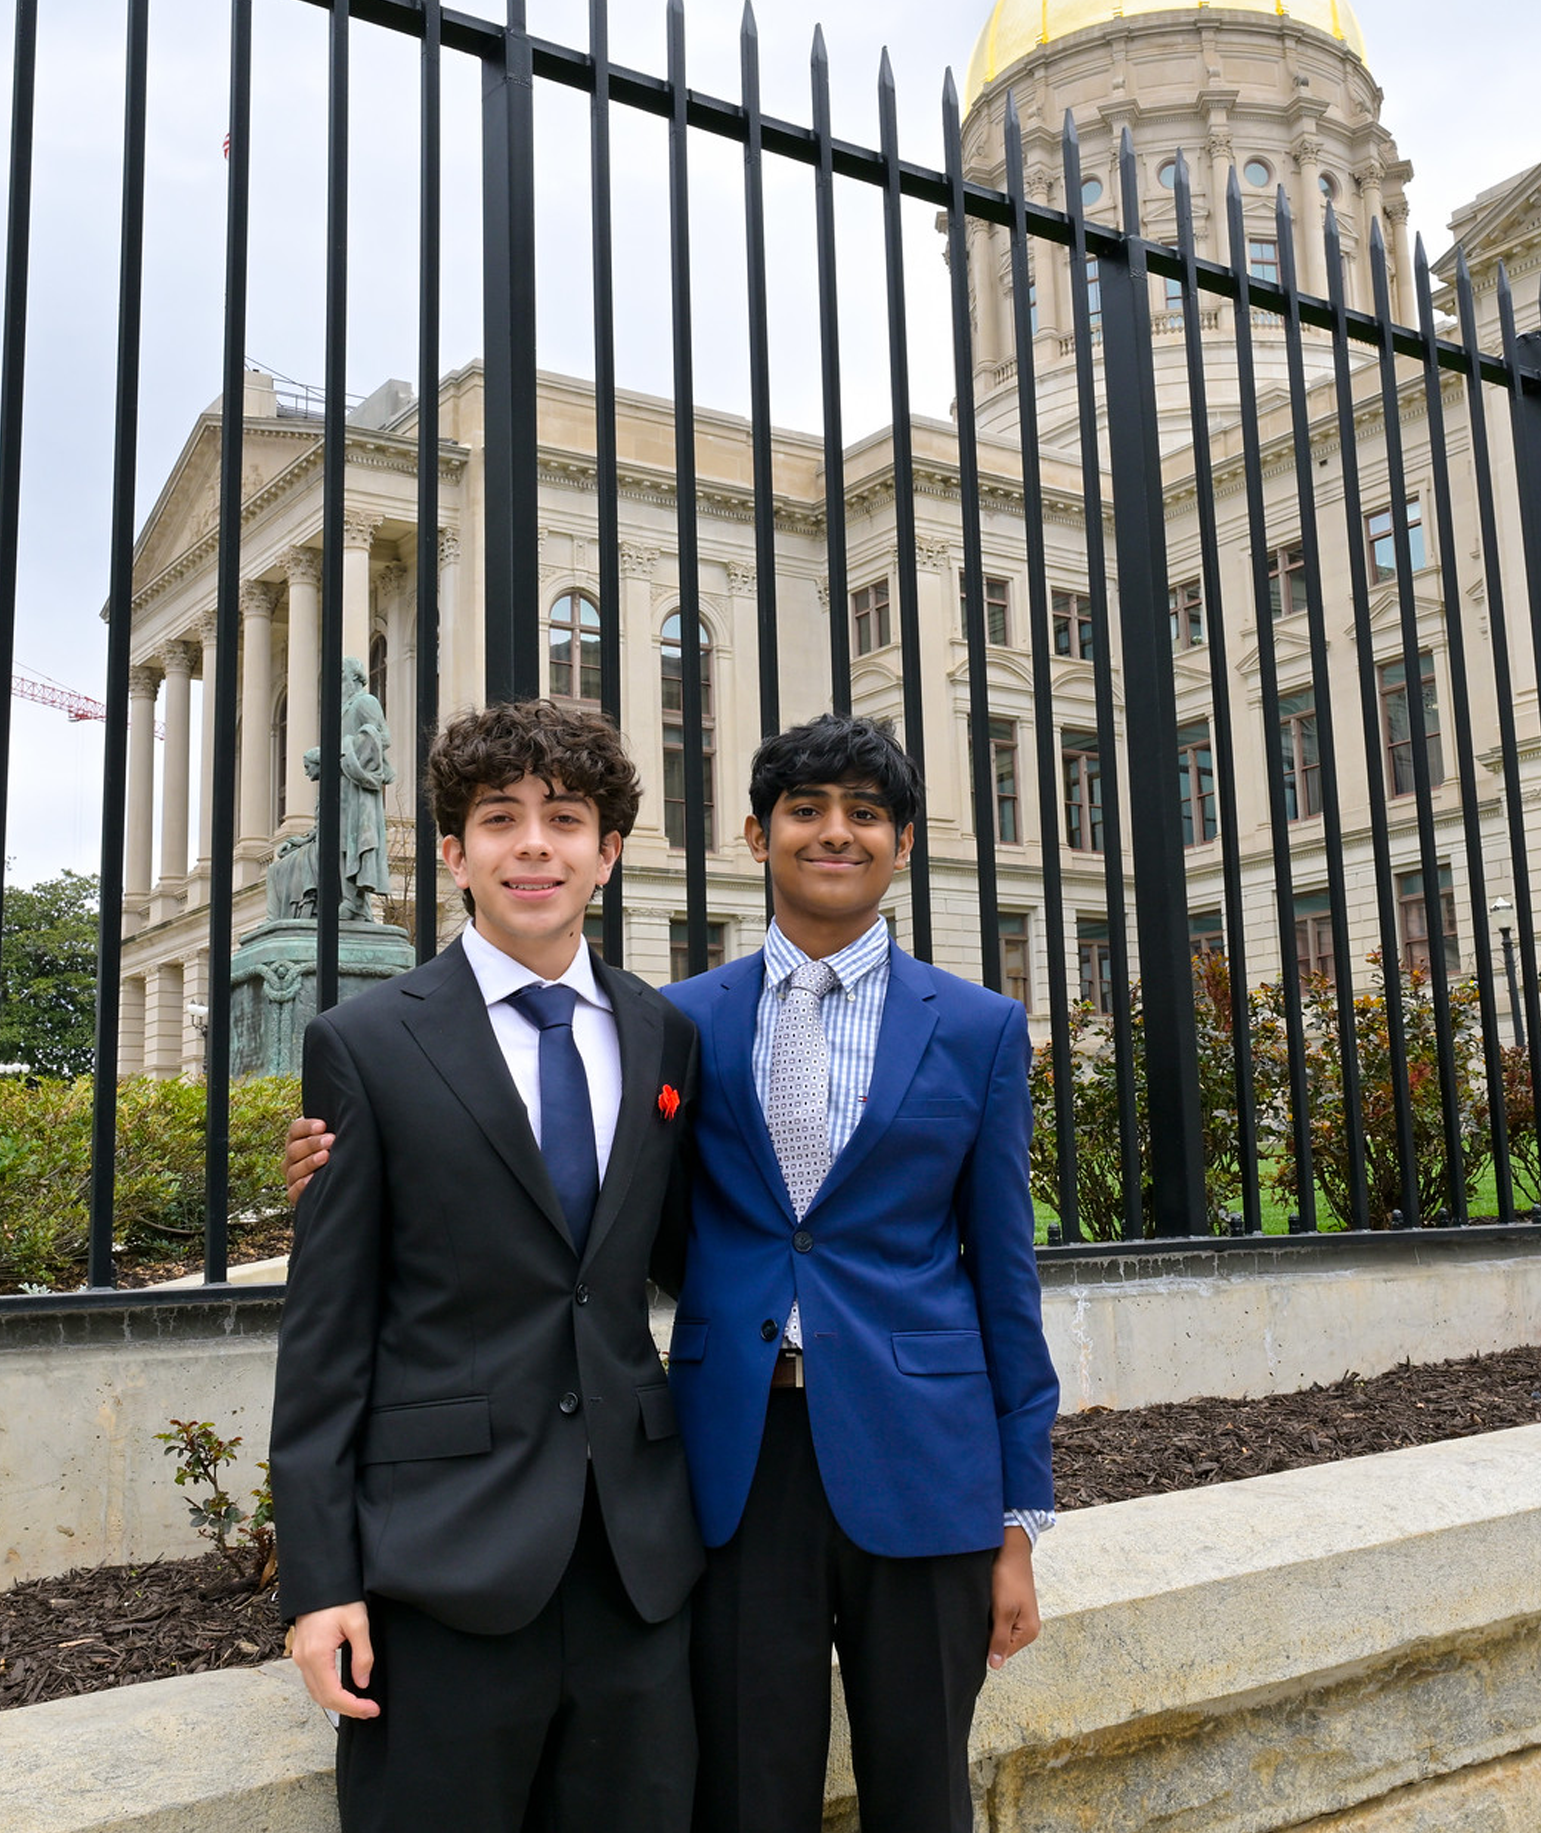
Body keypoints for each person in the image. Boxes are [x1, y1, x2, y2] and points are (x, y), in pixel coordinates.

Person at [285, 711, 1056, 1833]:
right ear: (755, 833)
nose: (834, 833)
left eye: (866, 814)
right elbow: (572, 1236)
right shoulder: (676, 1023)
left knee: (925, 1794)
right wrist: (340, 1171)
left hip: (899, 1468)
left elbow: (1003, 1274)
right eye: (805, 809)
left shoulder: (956, 1028)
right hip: (709, 1471)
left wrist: (1020, 1511)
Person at [269, 699, 703, 1833]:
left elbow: (685, 1250)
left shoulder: (665, 1035)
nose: (534, 844)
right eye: (499, 818)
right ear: (454, 852)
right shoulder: (364, 1043)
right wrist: (319, 1586)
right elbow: (323, 1340)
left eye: (566, 818)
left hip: (635, 1566)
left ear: (608, 852)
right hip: (442, 1566)